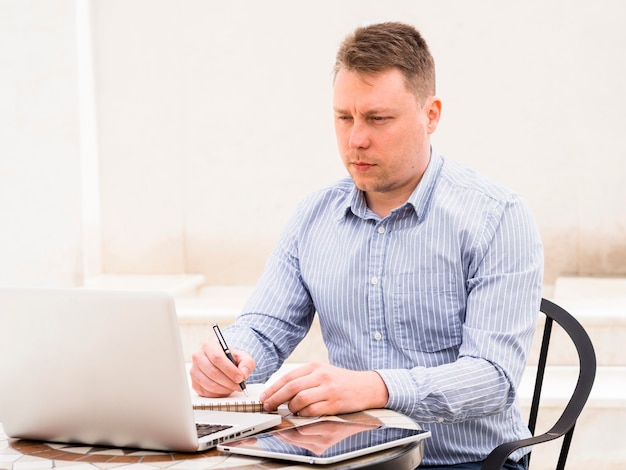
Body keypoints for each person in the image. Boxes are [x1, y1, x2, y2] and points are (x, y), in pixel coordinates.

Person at [190, 21, 543, 470]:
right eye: (344, 118)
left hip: (465, 462)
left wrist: (377, 386)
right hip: (350, 459)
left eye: (378, 118)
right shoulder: (314, 217)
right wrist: (229, 360)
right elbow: (261, 330)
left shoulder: (497, 217)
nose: (356, 138)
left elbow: (493, 378)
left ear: (431, 114)